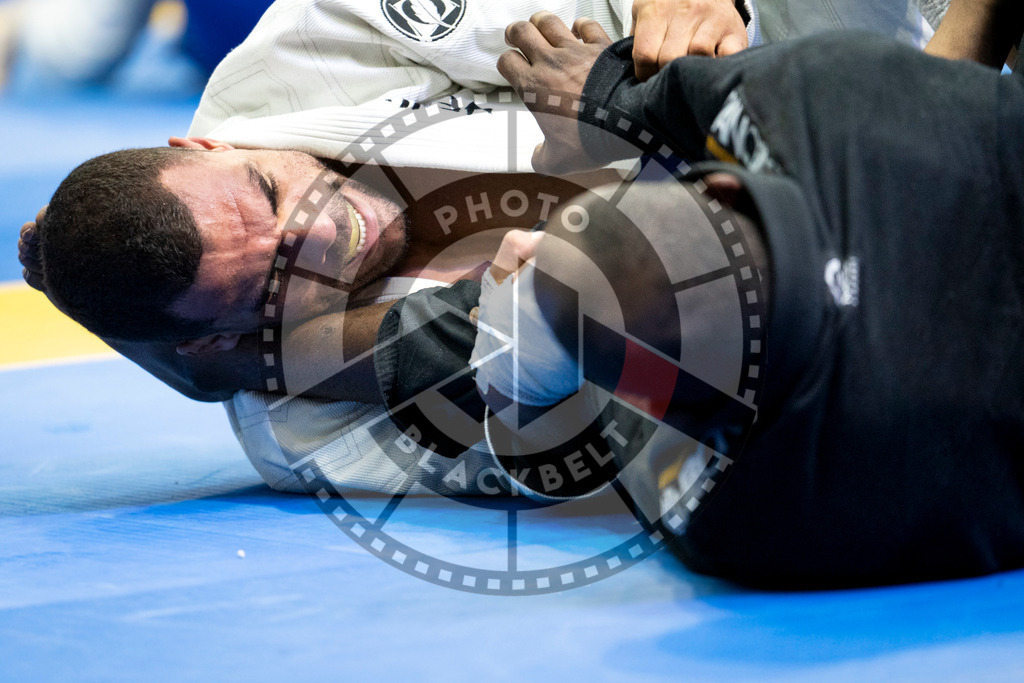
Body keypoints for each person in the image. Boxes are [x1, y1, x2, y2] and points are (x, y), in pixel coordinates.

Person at [19, 0, 759, 496]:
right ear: (224, 335)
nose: (326, 229)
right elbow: (616, 435)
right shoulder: (309, 431)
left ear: (207, 145)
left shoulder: (317, 42)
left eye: (272, 193)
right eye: (278, 273)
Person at [462, 2, 1024, 587]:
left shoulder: (756, 523)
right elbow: (668, 99)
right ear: (723, 189)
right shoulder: (813, 91)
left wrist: (521, 367)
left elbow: (608, 424)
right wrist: (603, 98)